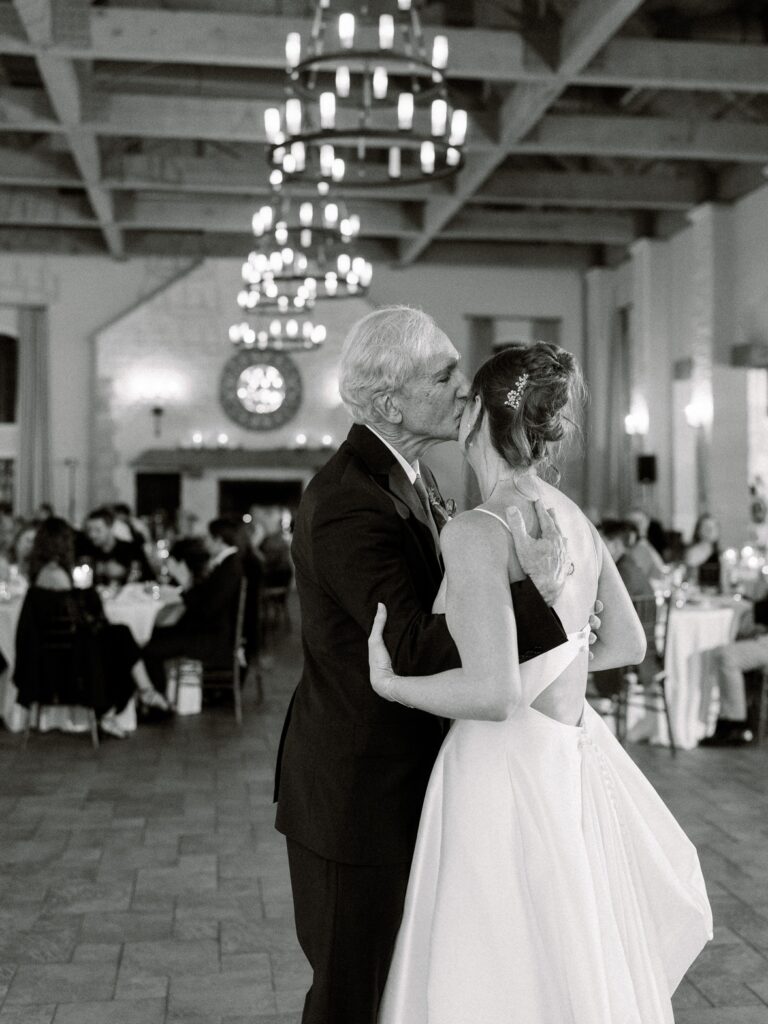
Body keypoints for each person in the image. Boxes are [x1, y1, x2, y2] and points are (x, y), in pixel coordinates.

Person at [368, 342, 712, 1024]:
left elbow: (493, 697)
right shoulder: (572, 517)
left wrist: (391, 684)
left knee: (496, 956)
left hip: (502, 770)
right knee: (567, 946)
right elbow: (628, 642)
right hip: (568, 754)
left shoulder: (475, 530)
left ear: (476, 419)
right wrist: (558, 661)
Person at [274, 306, 584, 1024]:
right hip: (358, 789)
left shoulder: (413, 474)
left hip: (406, 775)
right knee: (352, 989)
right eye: (445, 374)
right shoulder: (350, 500)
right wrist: (533, 600)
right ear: (388, 399)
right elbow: (410, 641)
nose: (464, 389)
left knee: (401, 984)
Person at [14, 517, 167, 739]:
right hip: (64, 658)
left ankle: (143, 693)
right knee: (119, 639)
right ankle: (129, 700)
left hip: (60, 650)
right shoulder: (55, 575)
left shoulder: (43, 571)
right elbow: (77, 619)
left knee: (120, 633)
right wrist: (86, 594)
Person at [141, 517, 243, 696]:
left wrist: (185, 591)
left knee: (149, 647)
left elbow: (209, 609)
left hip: (212, 639)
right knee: (154, 634)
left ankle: (158, 702)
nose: (205, 543)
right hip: (210, 631)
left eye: (208, 538)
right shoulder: (229, 563)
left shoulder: (230, 568)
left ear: (218, 540)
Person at [79, 506, 153, 586]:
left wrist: (125, 573)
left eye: (97, 530)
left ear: (110, 527)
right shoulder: (86, 550)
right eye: (89, 530)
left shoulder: (131, 549)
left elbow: (148, 578)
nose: (92, 535)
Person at [626, 506, 667, 578]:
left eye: (639, 522)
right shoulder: (641, 546)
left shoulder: (641, 548)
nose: (636, 526)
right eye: (632, 523)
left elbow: (635, 577)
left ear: (647, 523)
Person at [684, 512, 721, 589]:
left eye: (714, 527)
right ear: (698, 531)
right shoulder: (693, 553)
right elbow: (691, 580)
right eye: (706, 527)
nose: (711, 531)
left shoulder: (720, 555)